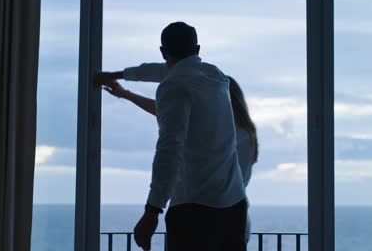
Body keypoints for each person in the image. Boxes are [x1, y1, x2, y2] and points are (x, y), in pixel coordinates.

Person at [94, 22, 248, 251]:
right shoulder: (215, 76)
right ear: (198, 50)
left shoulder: (173, 87)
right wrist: (121, 79)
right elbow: (165, 74)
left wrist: (152, 211)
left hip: (194, 209)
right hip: (233, 205)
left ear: (163, 52)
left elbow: (169, 150)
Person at [104, 76, 259, 243]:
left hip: (212, 216)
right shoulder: (239, 133)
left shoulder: (237, 135)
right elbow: (168, 110)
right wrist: (126, 94)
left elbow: (168, 112)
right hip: (227, 216)